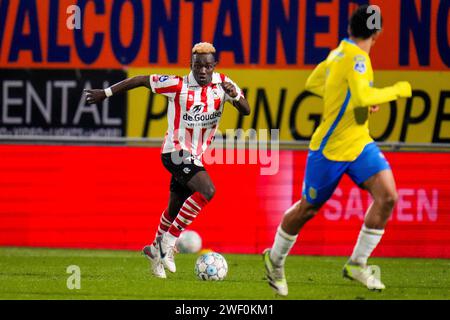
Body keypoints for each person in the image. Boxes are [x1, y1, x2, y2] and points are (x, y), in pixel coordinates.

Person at [263, 5, 412, 296]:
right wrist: (398, 90)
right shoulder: (357, 58)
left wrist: (348, 96)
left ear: (349, 29)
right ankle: (275, 259)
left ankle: (357, 263)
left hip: (359, 142)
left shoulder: (338, 54)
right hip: (330, 149)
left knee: (388, 196)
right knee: (308, 208)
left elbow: (314, 83)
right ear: (378, 33)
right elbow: (362, 96)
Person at [85, 42, 250, 278]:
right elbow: (141, 79)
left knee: (173, 209)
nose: (202, 71)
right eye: (197, 66)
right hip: (174, 151)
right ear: (191, 65)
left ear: (214, 66)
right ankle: (168, 244)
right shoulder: (177, 85)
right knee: (208, 191)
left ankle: (154, 251)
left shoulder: (223, 84)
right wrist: (106, 93)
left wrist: (234, 95)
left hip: (195, 156)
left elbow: (246, 109)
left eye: (207, 66)